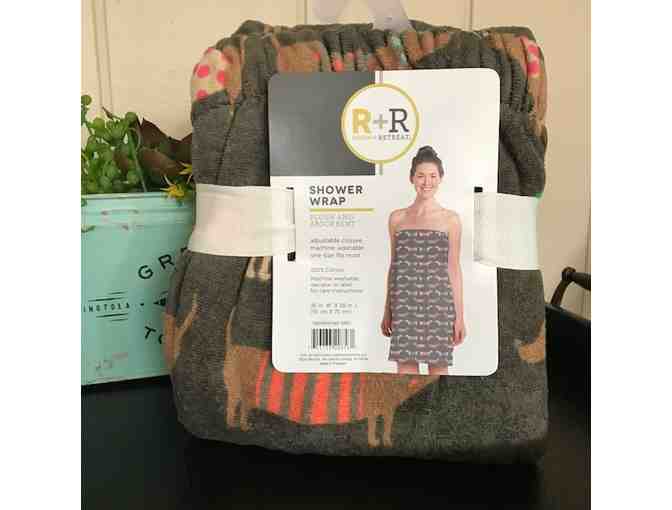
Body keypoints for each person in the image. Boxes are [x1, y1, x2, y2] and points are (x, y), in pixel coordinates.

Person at [381, 146, 466, 375]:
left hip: (439, 307)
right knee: (405, 378)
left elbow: (454, 269)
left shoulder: (451, 220)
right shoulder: (397, 218)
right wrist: (388, 309)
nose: (427, 182)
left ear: (440, 178)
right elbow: (394, 267)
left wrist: (459, 317)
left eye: (432, 176)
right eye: (421, 176)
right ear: (412, 178)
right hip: (404, 306)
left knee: (439, 376)